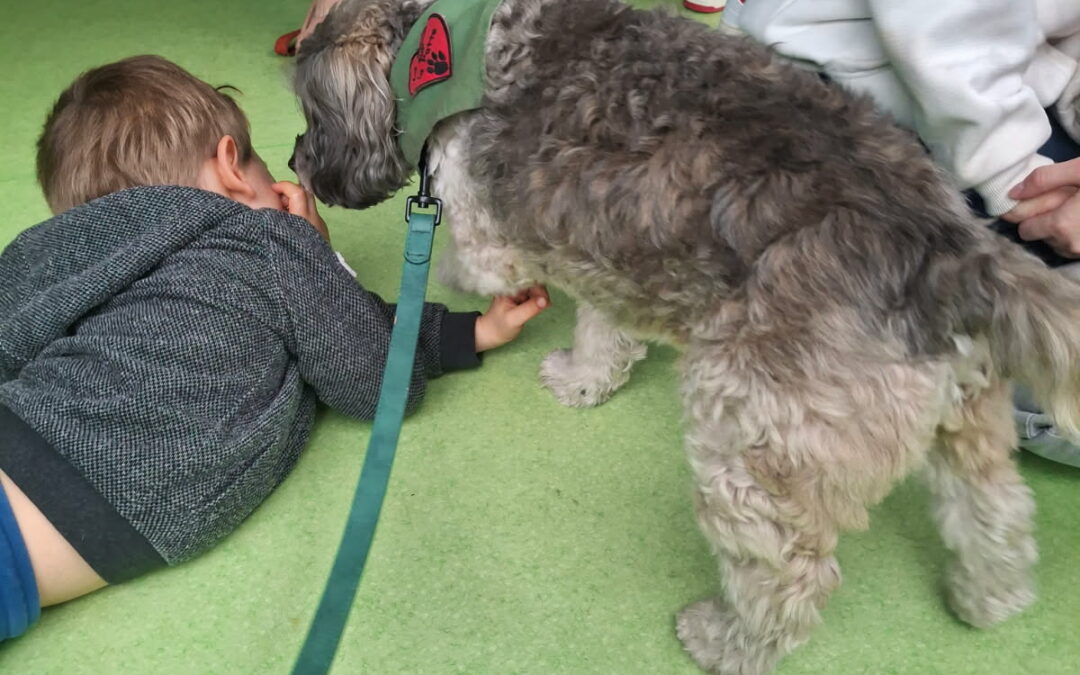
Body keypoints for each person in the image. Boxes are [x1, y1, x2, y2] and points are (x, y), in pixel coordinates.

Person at [0, 54, 549, 640]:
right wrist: (308, 252)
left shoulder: (71, 259)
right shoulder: (266, 243)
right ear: (233, 168)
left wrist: (468, 333)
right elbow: (372, 381)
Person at [723, 0, 1080, 466]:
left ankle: (929, 348)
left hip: (1016, 66)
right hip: (848, 71)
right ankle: (926, 360)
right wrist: (1015, 176)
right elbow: (949, 23)